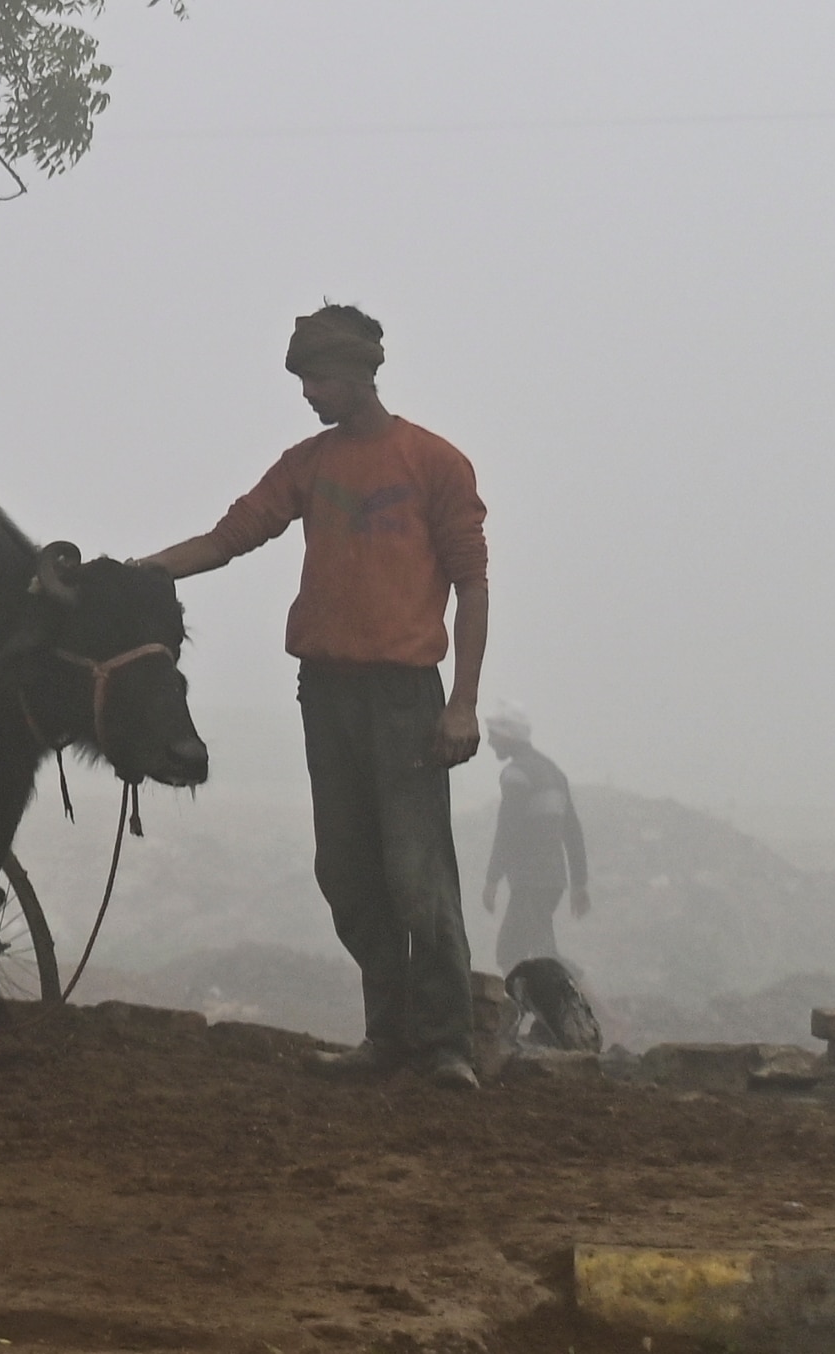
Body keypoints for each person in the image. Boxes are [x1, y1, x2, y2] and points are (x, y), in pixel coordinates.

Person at [139, 300, 492, 1091]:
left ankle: (444, 1049)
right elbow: (231, 536)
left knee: (417, 874)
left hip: (406, 693)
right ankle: (386, 1036)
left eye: (319, 378)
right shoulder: (308, 464)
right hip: (325, 689)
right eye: (304, 379)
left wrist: (461, 703)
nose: (308, 393)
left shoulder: (434, 462)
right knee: (347, 871)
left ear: (362, 375)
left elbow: (472, 584)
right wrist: (142, 570)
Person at [484, 711, 593, 970]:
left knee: (512, 954)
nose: (489, 743)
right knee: (539, 951)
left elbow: (507, 829)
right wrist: (579, 883)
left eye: (493, 736)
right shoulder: (553, 771)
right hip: (552, 880)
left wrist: (492, 879)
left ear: (508, 736)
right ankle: (574, 1005)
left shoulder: (516, 774)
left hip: (530, 880)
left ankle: (580, 1006)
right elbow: (572, 831)